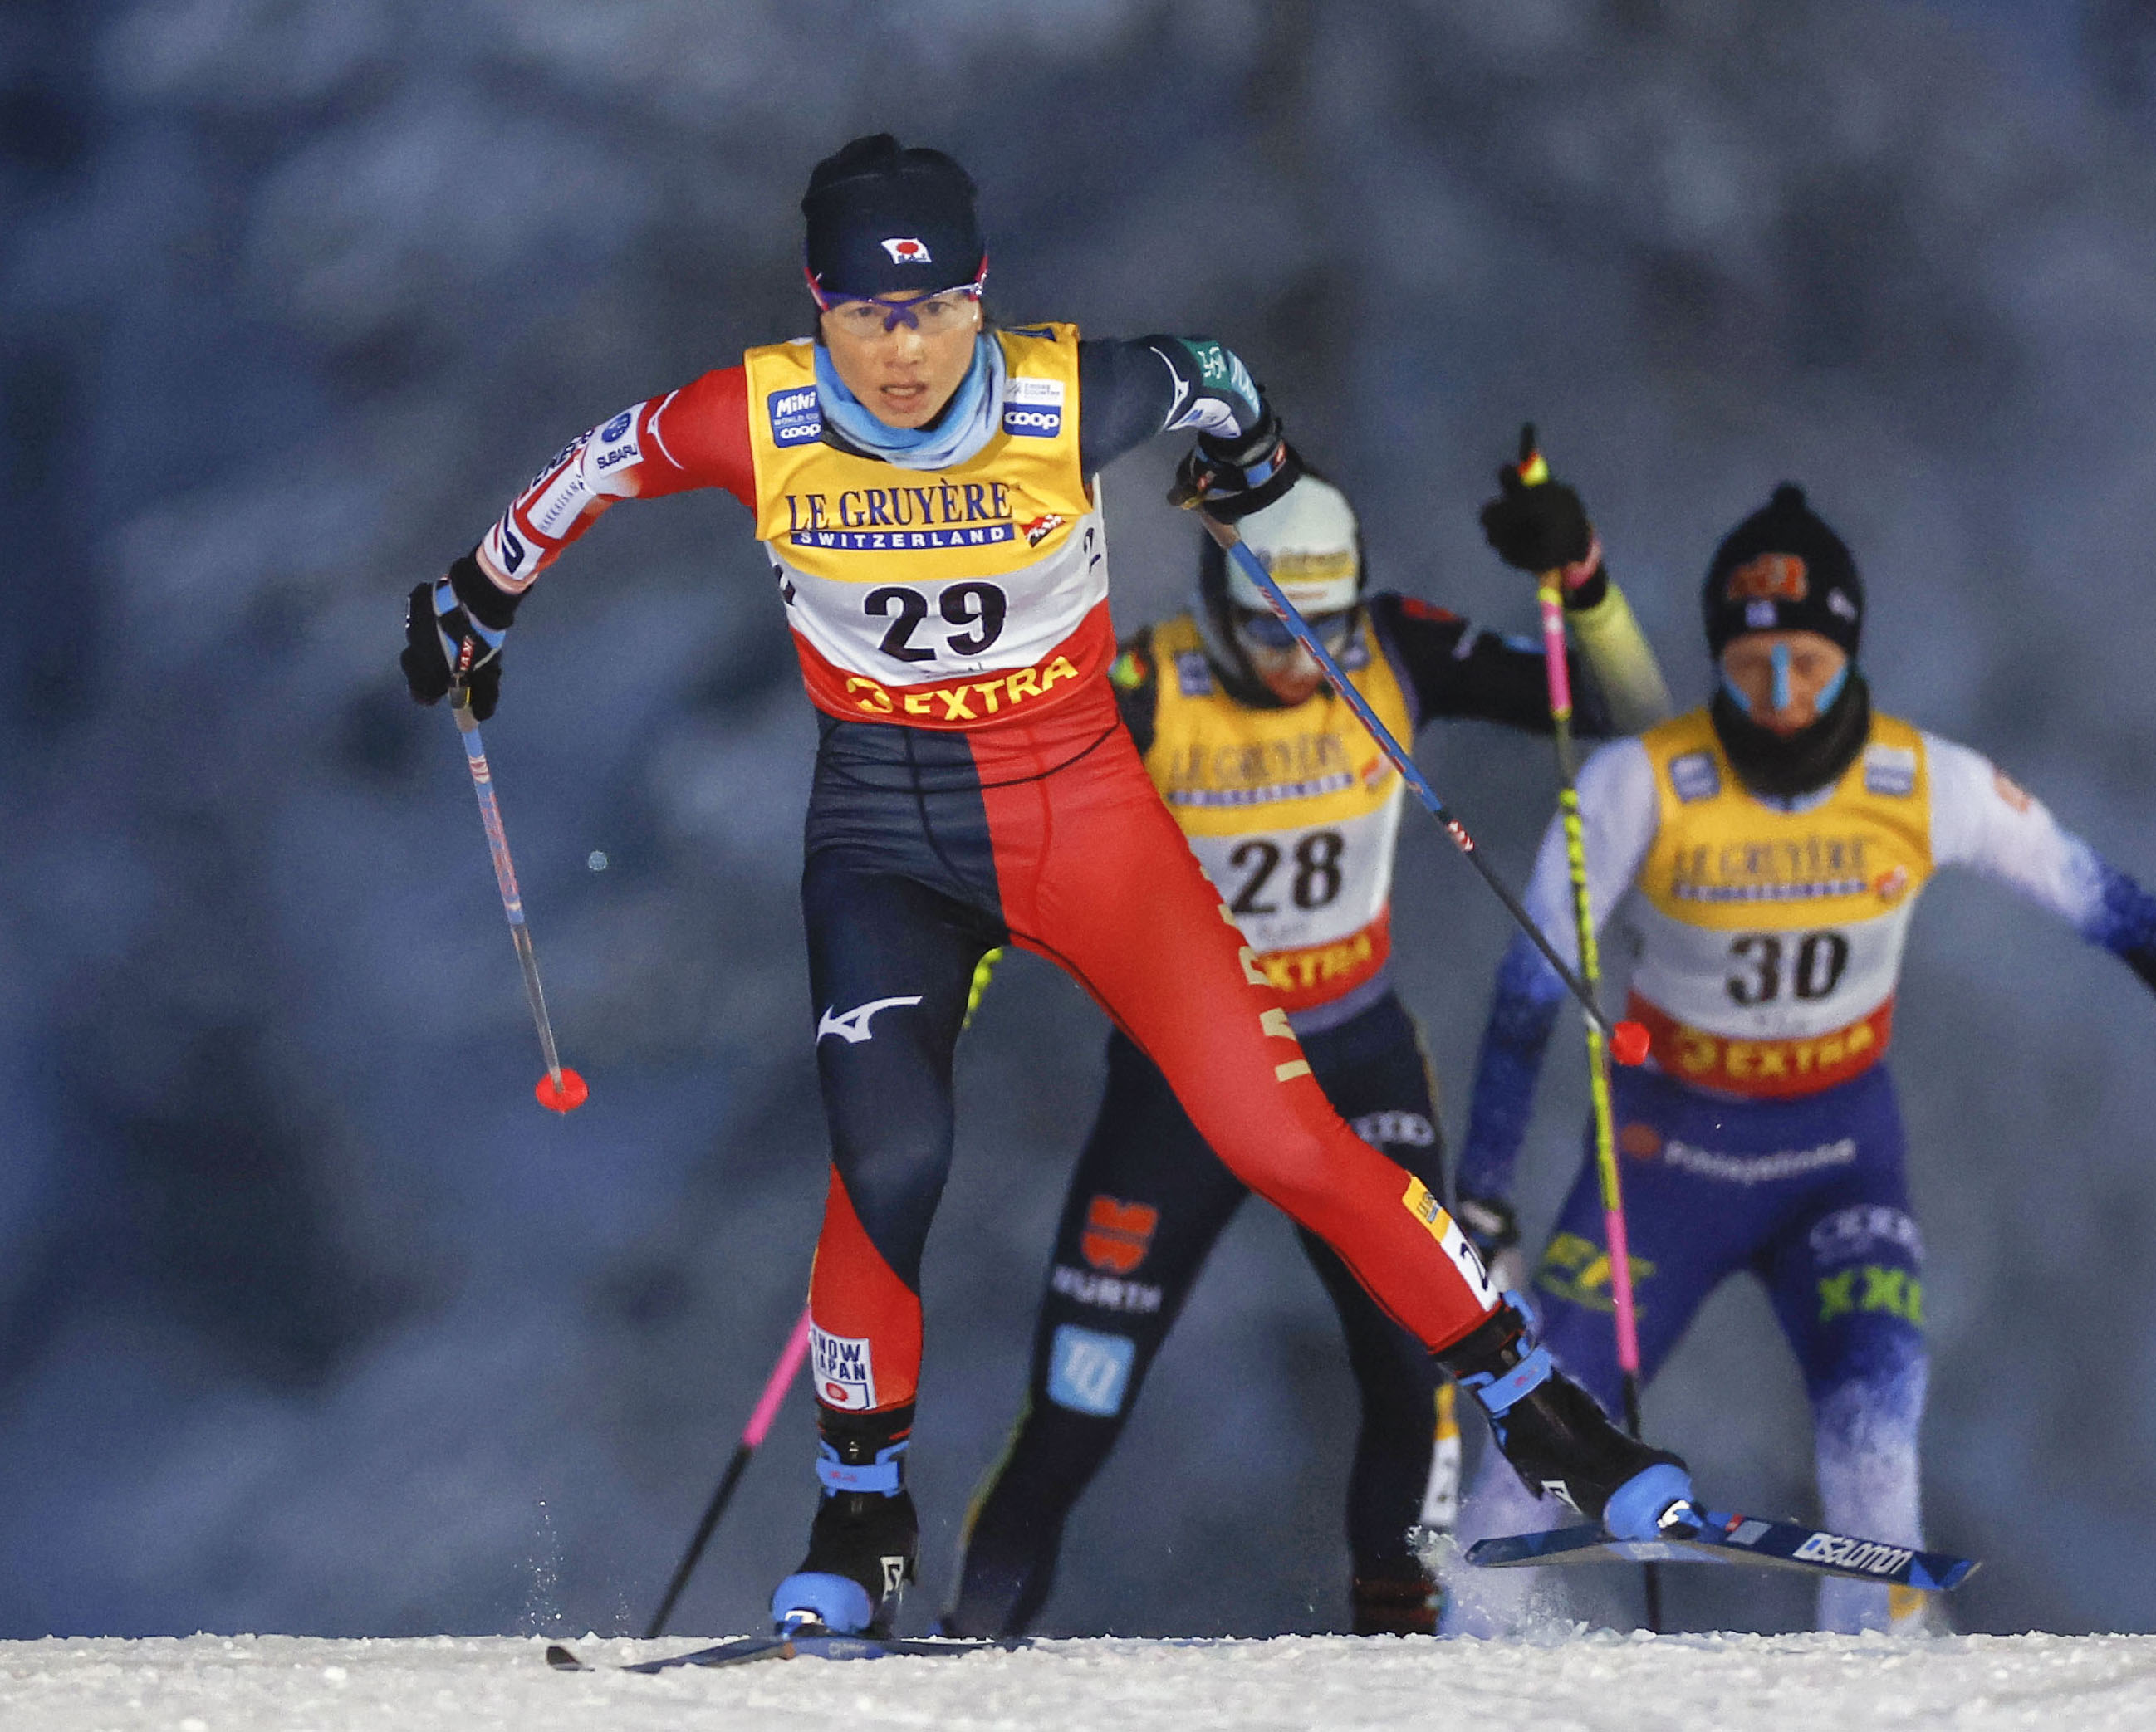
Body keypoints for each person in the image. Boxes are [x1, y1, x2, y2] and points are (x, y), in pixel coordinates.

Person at [399, 133, 1691, 1640]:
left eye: (940, 308)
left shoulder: (1066, 392)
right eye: (871, 316)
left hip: (1083, 816)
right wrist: (476, 600)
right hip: (883, 834)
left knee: (1280, 1133)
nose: (905, 348)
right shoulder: (746, 415)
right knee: (888, 1161)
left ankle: (1540, 1409)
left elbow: (1209, 369)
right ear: (817, 305)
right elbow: (590, 469)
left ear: (981, 297)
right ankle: (860, 1511)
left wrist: (1253, 463)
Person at [943, 465, 1672, 1638]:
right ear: (1219, 605)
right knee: (1080, 1399)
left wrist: (1579, 580)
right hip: (1184, 1082)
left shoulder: (1395, 651)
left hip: (1354, 1063)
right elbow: (1003, 813)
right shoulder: (1149, 678)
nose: (1301, 662)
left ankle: (1397, 1650)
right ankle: (966, 1643)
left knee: (1415, 1369)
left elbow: (1624, 709)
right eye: (1271, 632)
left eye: (1323, 633)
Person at [1447, 483, 2156, 1634]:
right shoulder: (1637, 783)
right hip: (1665, 1156)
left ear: (1852, 654)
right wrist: (1483, 1190)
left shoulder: (1927, 781)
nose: (1781, 697)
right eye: (1753, 665)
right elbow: (1528, 995)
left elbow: (2112, 907)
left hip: (1837, 1158)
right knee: (1527, 1439)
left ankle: (1875, 1691)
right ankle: (1451, 1670)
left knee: (1877, 1439)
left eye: (1810, 667)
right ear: (1719, 656)